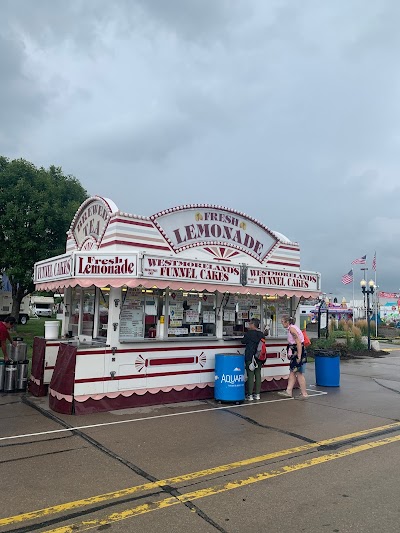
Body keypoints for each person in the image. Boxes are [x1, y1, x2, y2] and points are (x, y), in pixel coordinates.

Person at [278, 315, 308, 399]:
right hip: (296, 351)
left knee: (298, 373)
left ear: (287, 322)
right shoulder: (293, 328)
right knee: (292, 371)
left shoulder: (292, 329)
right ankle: (289, 391)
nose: (282, 324)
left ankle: (304, 393)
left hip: (297, 352)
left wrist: (298, 355)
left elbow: (298, 342)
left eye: (283, 322)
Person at [241, 318, 265, 401]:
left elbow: (243, 341)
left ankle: (250, 395)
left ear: (252, 324)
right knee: (258, 374)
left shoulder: (248, 334)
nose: (249, 325)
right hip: (259, 357)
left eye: (250, 323)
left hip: (250, 356)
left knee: (250, 375)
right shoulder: (261, 334)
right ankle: (257, 394)